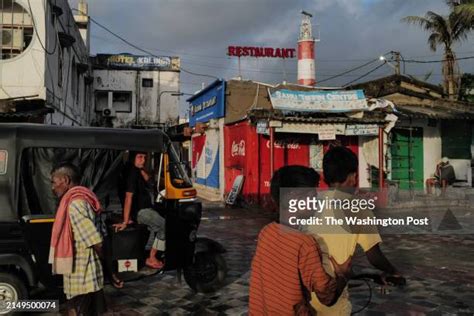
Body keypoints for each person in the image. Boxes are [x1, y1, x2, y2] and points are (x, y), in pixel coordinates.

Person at [303, 146, 403, 315]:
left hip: (303, 298)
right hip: (333, 302)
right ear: (352, 177)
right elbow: (374, 255)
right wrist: (393, 271)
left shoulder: (309, 201)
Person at [249, 166, 352, 315]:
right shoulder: (305, 244)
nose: (316, 201)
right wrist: (342, 275)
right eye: (312, 195)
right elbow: (327, 297)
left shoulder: (266, 232)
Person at [49, 163, 106, 316]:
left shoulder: (75, 204)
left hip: (82, 271)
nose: (52, 187)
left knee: (78, 309)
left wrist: (109, 269)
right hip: (82, 270)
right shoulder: (84, 197)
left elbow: (95, 241)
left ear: (66, 180)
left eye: (54, 182)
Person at [113, 152, 166, 269]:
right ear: (132, 158)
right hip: (141, 211)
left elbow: (148, 179)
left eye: (145, 158)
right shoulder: (132, 172)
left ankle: (144, 254)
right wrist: (125, 221)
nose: (143, 160)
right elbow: (128, 197)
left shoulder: (135, 170)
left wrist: (141, 168)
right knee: (164, 226)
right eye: (139, 157)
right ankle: (152, 257)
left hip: (143, 209)